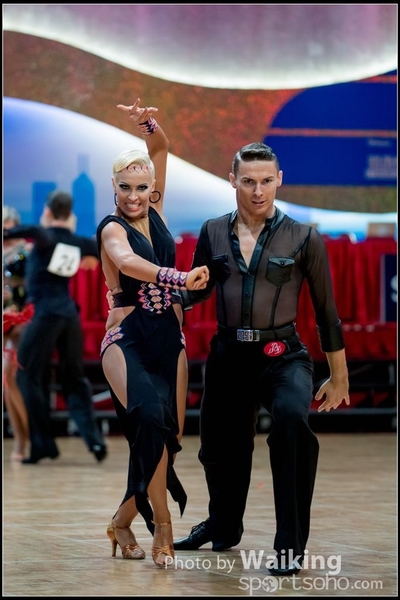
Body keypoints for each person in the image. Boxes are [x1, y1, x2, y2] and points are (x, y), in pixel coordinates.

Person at [173, 142, 350, 576]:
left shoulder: (304, 236)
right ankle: (222, 525)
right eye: (249, 181)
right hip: (228, 354)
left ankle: (289, 545)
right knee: (217, 449)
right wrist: (170, 297)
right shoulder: (212, 231)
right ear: (232, 180)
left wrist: (339, 376)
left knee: (291, 424)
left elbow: (326, 312)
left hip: (282, 355)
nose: (258, 191)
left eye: (267, 181)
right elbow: (197, 290)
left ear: (279, 180)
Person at [97, 98, 209, 568]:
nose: (134, 196)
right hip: (127, 338)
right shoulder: (111, 228)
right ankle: (163, 526)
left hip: (168, 337)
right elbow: (127, 263)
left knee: (169, 437)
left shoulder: (155, 209)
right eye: (125, 187)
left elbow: (160, 146)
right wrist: (178, 278)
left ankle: (121, 521)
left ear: (152, 188)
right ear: (114, 186)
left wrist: (146, 122)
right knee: (150, 420)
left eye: (142, 187)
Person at [3, 191, 108, 465]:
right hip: (69, 317)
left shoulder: (43, 234)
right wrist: (93, 257)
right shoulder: (78, 241)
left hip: (45, 315)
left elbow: (10, 232)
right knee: (74, 378)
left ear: (47, 212)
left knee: (27, 376)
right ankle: (94, 441)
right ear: (70, 215)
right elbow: (103, 249)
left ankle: (42, 445)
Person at [3, 205, 32, 461]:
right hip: (4, 317)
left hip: (23, 317)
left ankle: (26, 441)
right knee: (6, 383)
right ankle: (20, 440)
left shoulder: (28, 250)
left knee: (12, 377)